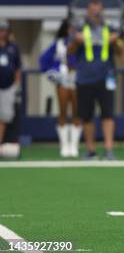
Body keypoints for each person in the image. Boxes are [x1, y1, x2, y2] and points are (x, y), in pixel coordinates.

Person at [68, 0, 123, 160]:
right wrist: (76, 42)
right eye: (92, 11)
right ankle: (91, 150)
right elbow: (69, 52)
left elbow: (120, 52)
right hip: (84, 78)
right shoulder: (79, 29)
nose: (95, 14)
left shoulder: (110, 28)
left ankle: (108, 150)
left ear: (102, 11)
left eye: (98, 11)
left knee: (108, 114)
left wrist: (116, 42)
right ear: (87, 11)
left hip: (106, 77)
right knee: (86, 116)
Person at [39, 19, 81, 157]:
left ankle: (74, 146)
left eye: (74, 29)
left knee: (77, 112)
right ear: (65, 29)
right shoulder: (58, 44)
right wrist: (52, 73)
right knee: (63, 111)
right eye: (70, 29)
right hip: (62, 80)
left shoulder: (80, 43)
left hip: (76, 79)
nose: (72, 31)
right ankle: (64, 145)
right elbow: (44, 60)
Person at [0, 19, 21, 149]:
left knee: (4, 117)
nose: (3, 33)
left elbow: (17, 68)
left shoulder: (13, 47)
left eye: (5, 31)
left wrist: (17, 86)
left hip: (8, 87)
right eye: (0, 30)